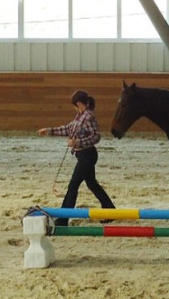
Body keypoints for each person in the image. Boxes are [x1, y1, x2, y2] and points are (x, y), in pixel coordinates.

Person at [38, 90, 115, 226]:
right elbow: (68, 129)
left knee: (73, 186)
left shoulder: (88, 116)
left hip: (87, 155)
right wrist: (49, 131)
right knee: (92, 184)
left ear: (79, 103)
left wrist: (77, 143)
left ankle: (63, 218)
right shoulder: (80, 116)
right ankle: (110, 210)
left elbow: (96, 137)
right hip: (83, 155)